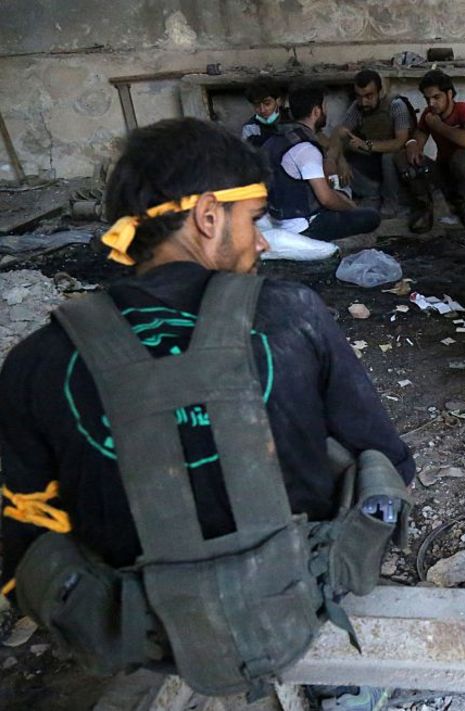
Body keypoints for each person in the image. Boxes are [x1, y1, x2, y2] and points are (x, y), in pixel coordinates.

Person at [0, 118, 414, 694]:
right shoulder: (292, 313)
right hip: (295, 605)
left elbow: (19, 533)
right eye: (256, 220)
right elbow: (390, 458)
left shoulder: (37, 360)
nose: (263, 241)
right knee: (342, 437)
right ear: (209, 216)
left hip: (142, 639)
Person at [262, 85, 381, 242]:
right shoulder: (305, 148)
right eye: (324, 108)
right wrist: (351, 208)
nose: (325, 113)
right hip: (302, 226)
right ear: (316, 112)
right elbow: (326, 198)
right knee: (371, 217)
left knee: (337, 187)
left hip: (278, 217)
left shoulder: (276, 139)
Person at [402, 69, 465, 232]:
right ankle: (428, 207)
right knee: (403, 157)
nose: (431, 103)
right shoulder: (429, 114)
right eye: (427, 99)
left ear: (449, 94)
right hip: (445, 175)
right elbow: (418, 136)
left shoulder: (464, 110)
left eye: (436, 97)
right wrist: (412, 144)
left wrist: (440, 127)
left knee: (460, 158)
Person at [331, 69, 415, 215]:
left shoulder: (396, 105)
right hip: (371, 161)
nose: (363, 102)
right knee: (335, 156)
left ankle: (391, 203)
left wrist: (367, 145)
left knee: (389, 157)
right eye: (359, 96)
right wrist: (341, 160)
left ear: (379, 92)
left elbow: (400, 142)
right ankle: (371, 194)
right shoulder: (357, 107)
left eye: (369, 96)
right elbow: (338, 133)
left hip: (395, 163)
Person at [240, 80, 287, 147]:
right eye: (257, 105)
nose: (262, 110)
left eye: (267, 104)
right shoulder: (250, 128)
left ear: (278, 101)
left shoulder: (291, 119)